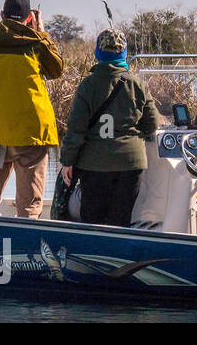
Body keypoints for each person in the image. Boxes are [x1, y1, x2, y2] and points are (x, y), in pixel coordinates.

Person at [0, 0, 64, 217]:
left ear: (2, 15)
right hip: (29, 133)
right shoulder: (36, 43)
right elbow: (56, 70)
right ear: (30, 18)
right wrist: (41, 32)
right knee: (29, 206)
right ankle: (27, 249)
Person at [59, 30, 161, 227]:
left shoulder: (87, 86)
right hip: (130, 164)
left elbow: (75, 130)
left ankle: (93, 256)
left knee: (92, 222)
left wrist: (67, 161)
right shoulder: (137, 84)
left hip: (94, 164)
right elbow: (152, 124)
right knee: (121, 221)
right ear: (124, 54)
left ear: (98, 52)